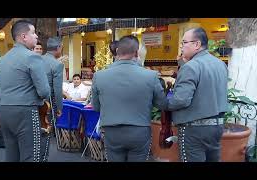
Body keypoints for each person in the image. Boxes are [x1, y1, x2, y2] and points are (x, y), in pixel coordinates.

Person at [91, 35, 167, 162]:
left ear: (117, 52)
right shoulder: (150, 76)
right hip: (139, 131)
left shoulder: (99, 76)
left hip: (112, 131)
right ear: (137, 53)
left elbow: (96, 107)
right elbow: (162, 104)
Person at [0, 20, 51, 162]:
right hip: (25, 112)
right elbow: (44, 91)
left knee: (12, 156)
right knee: (32, 156)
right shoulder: (32, 57)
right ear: (24, 36)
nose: (36, 36)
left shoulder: (2, 60)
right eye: (33, 33)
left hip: (4, 112)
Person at [167, 28, 228, 162]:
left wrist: (165, 100)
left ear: (197, 44)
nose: (181, 46)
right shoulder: (220, 64)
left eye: (184, 42)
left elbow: (180, 100)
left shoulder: (191, 67)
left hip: (194, 130)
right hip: (216, 127)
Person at [38, 37, 64, 161]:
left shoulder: (37, 59)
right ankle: (43, 158)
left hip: (34, 100)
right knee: (46, 131)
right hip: (48, 102)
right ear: (58, 48)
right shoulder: (57, 64)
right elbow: (57, 89)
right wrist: (59, 107)